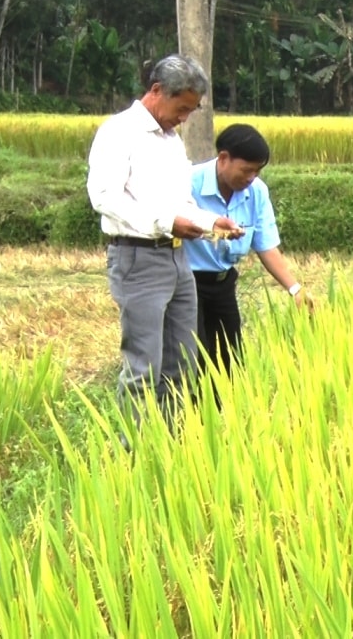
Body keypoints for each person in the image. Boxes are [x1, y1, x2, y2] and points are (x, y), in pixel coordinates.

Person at [87, 54, 244, 426]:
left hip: (177, 260)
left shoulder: (172, 141)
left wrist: (210, 222)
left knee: (182, 363)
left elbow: (182, 203)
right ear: (157, 91)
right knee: (144, 367)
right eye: (182, 108)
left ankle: (169, 446)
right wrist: (166, 222)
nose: (184, 118)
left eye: (192, 111)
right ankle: (136, 454)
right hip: (138, 258)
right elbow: (105, 198)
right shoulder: (119, 132)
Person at [185, 124, 315, 388]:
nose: (252, 177)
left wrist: (295, 289)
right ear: (223, 159)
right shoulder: (188, 183)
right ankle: (192, 421)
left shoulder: (256, 192)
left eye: (257, 171)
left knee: (230, 358)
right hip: (187, 283)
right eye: (246, 170)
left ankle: (222, 419)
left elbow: (266, 245)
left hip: (223, 283)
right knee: (195, 356)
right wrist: (212, 230)